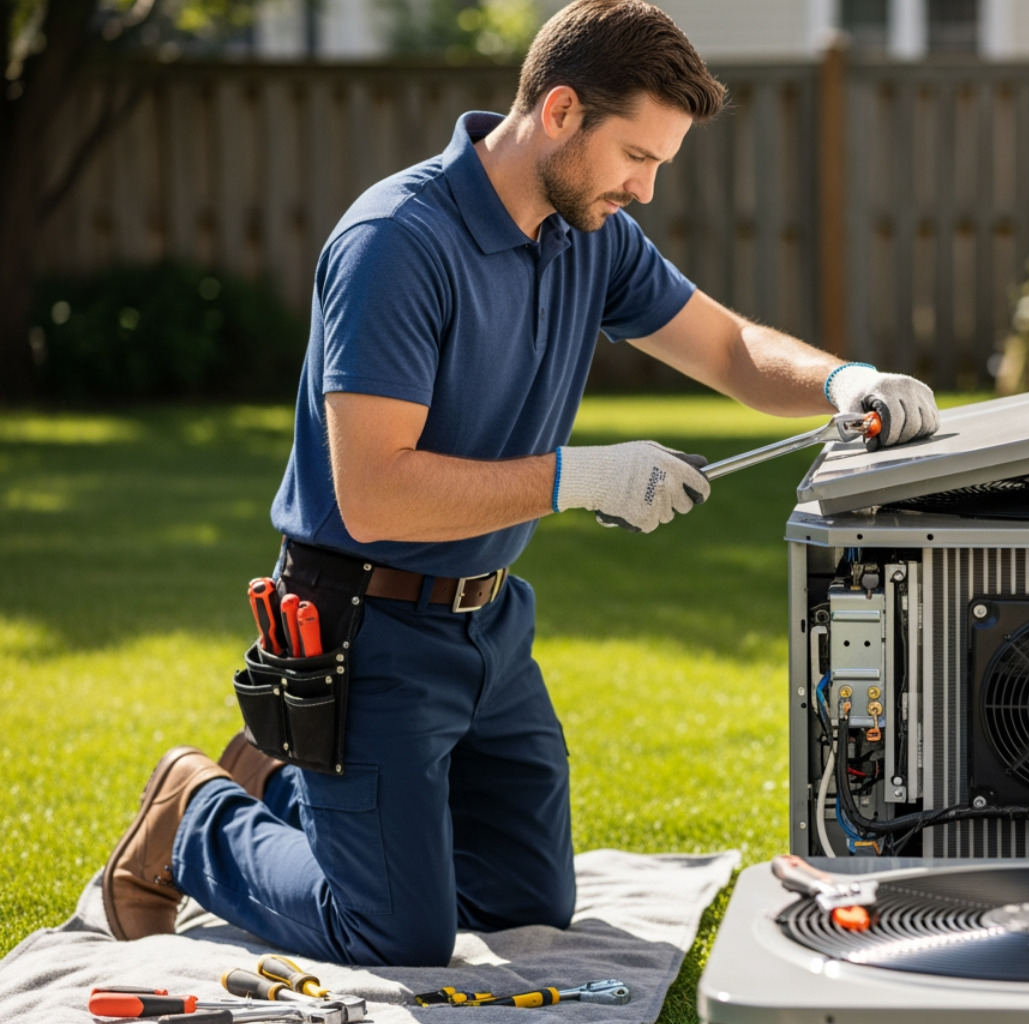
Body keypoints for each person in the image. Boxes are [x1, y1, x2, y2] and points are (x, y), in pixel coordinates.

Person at [100, 0, 938, 967]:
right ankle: (194, 814)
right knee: (397, 935)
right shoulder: (397, 242)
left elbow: (731, 347)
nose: (648, 187)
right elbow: (373, 492)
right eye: (638, 156)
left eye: (661, 163)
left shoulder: (589, 231)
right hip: (366, 630)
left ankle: (297, 791)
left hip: (490, 627)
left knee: (522, 900)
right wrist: (580, 477)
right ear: (562, 111)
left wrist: (846, 381)